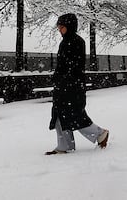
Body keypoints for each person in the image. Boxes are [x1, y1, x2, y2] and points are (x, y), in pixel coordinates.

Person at [45, 13, 109, 155]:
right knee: (61, 115)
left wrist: (61, 78)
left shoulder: (75, 41)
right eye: (59, 27)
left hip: (71, 86)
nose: (59, 30)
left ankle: (100, 134)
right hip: (66, 85)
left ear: (69, 26)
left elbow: (72, 66)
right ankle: (65, 145)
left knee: (73, 115)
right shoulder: (67, 41)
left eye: (62, 27)